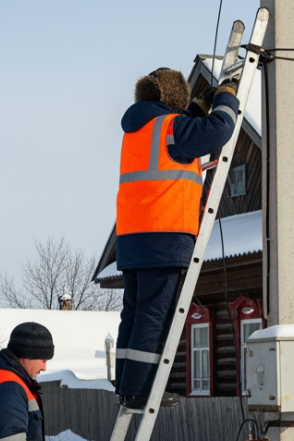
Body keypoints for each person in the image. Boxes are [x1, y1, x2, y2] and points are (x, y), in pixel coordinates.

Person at [114, 67, 240, 411]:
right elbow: (220, 130)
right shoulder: (171, 128)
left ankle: (127, 385)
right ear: (172, 98)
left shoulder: (139, 127)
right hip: (164, 234)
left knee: (135, 314)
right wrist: (226, 96)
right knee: (154, 317)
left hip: (131, 237)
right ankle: (140, 391)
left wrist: (199, 106)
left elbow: (181, 129)